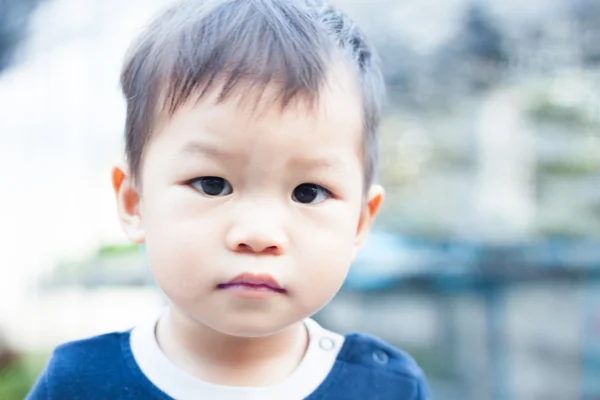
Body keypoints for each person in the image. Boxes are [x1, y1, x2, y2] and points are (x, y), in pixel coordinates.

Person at [27, 0, 430, 398]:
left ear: (360, 222)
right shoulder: (80, 384)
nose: (258, 234)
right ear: (135, 203)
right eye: (212, 185)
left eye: (308, 192)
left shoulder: (386, 388)